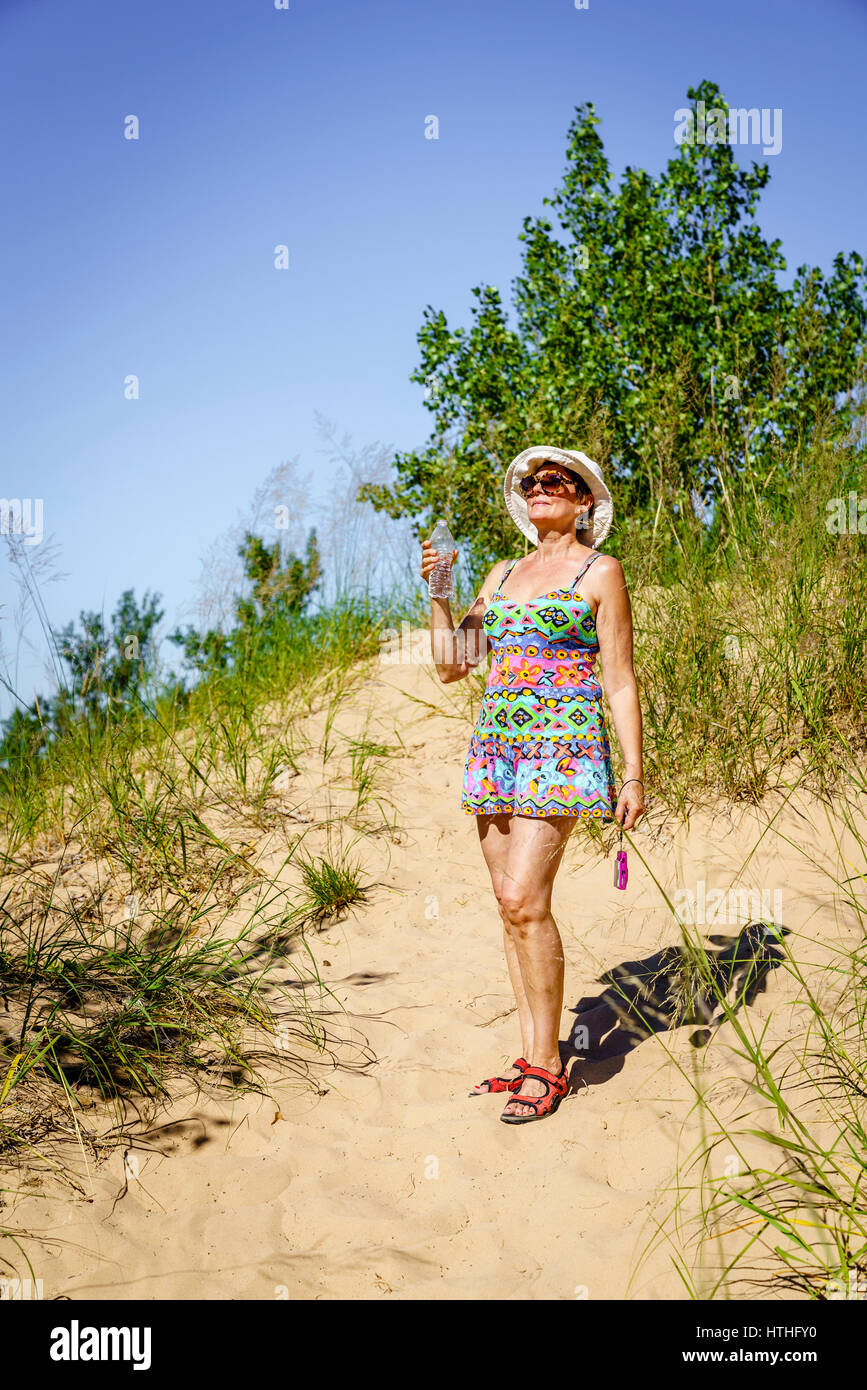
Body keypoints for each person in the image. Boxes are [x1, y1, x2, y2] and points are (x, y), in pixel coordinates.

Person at [421, 445, 645, 1124]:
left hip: (562, 746)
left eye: (557, 480)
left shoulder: (599, 571)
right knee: (506, 903)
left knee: (524, 896)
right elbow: (452, 665)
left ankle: (548, 1070)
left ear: (584, 501)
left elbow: (620, 678)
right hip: (499, 745)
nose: (540, 487)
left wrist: (633, 771)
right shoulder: (503, 571)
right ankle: (531, 1054)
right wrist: (437, 595)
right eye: (531, 481)